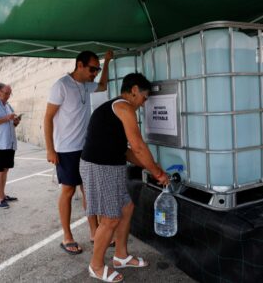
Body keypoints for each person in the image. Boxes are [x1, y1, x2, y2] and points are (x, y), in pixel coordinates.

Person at [80, 73, 169, 282]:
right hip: (100, 167)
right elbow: (138, 146)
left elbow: (127, 151)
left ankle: (120, 256)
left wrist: (153, 168)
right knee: (110, 218)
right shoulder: (123, 107)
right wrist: (157, 173)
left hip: (111, 165)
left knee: (125, 208)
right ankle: (96, 265)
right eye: (144, 98)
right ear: (135, 90)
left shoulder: (118, 110)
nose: (144, 103)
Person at [44, 50, 113, 255]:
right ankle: (67, 237)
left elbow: (103, 85)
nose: (95, 73)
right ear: (79, 65)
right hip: (65, 149)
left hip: (85, 148)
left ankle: (94, 232)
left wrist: (106, 62)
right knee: (68, 191)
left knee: (88, 189)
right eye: (93, 69)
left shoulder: (87, 85)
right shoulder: (61, 86)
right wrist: (50, 149)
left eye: (96, 69)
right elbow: (47, 119)